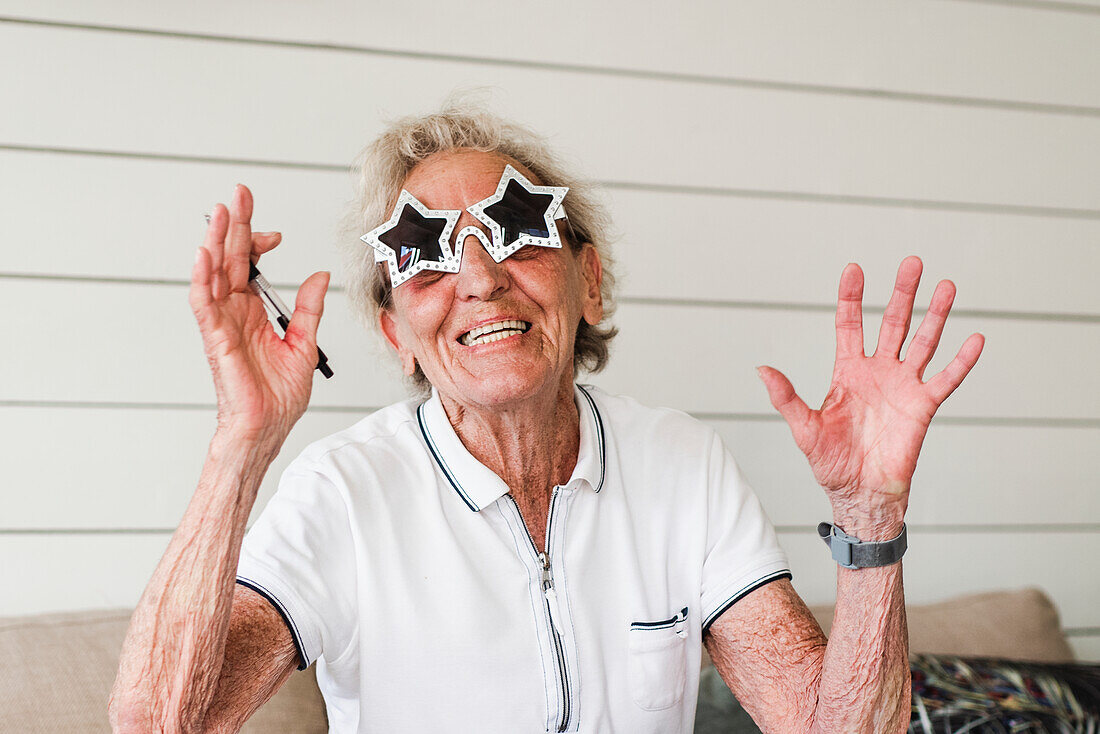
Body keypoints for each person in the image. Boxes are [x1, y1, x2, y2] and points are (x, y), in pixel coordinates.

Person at [109, 105, 984, 734]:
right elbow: (156, 726)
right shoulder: (343, 491)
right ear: (395, 333)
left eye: (518, 230)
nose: (482, 280)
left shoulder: (682, 463)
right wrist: (243, 440)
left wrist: (872, 519)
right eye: (427, 258)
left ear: (588, 281)